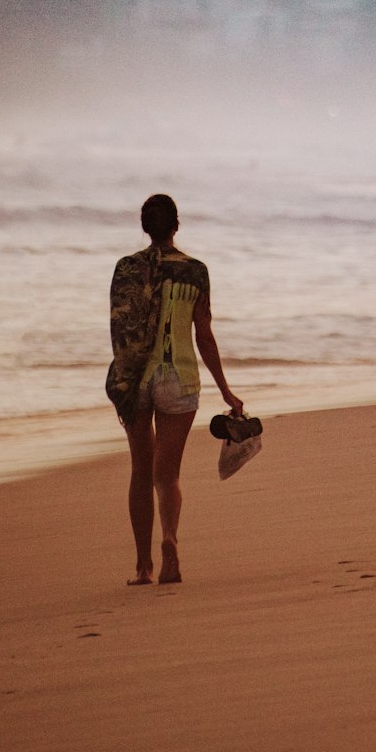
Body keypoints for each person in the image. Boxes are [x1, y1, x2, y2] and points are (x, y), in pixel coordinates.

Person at [106, 193, 243, 585]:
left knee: (140, 472)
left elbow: (120, 331)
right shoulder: (196, 272)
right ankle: (169, 540)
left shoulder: (127, 268)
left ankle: (142, 566)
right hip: (180, 379)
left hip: (137, 378)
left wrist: (124, 382)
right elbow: (204, 335)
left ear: (145, 228)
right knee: (167, 475)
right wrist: (227, 392)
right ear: (176, 226)